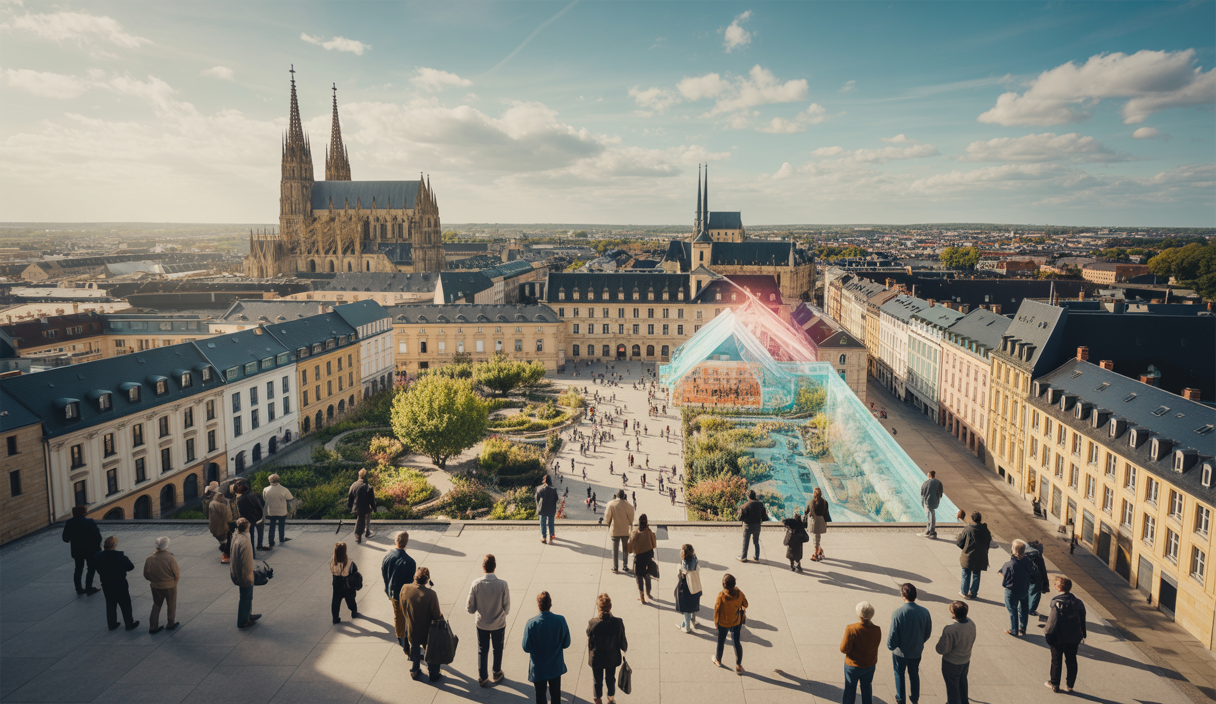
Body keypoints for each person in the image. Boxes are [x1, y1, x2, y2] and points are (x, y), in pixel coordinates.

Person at [467, 554, 511, 687]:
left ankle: (483, 676)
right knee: (498, 647)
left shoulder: (476, 584)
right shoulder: (503, 584)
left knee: (482, 648)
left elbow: (470, 608)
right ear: (495, 567)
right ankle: (496, 671)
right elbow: (507, 607)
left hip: (482, 624)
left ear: (483, 567)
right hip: (498, 623)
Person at [522, 591, 571, 704]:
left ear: (538, 605)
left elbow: (526, 647)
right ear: (550, 604)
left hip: (538, 669)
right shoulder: (560, 620)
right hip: (555, 667)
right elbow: (566, 643)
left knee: (540, 695)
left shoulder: (531, 623)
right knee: (556, 695)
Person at [887, 583, 933, 704]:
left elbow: (893, 634)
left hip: (900, 653)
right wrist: (920, 642)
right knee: (914, 673)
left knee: (899, 673)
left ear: (903, 595)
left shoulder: (898, 613)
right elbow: (928, 632)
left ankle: (901, 698)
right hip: (916, 651)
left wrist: (891, 646)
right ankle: (915, 698)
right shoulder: (925, 612)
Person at [1044, 576, 1087, 694]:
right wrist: (1083, 634)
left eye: (1055, 584)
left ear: (1058, 587)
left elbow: (1052, 622)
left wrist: (1048, 634)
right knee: (1072, 660)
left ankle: (1055, 684)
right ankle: (1070, 685)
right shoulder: (1078, 602)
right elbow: (1082, 620)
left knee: (1056, 660)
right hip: (1074, 637)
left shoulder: (1056, 602)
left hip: (1058, 636)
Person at [400, 567, 442, 681]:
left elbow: (402, 606)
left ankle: (414, 670)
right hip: (427, 630)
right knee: (429, 650)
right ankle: (433, 672)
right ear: (427, 580)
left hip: (412, 627)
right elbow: (436, 614)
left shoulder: (405, 588)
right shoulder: (431, 594)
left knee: (414, 647)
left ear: (415, 577)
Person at [90, 536, 139, 630]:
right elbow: (130, 567)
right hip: (120, 582)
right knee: (125, 603)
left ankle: (112, 623)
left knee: (110, 604)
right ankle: (129, 623)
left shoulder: (97, 556)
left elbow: (93, 566)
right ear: (114, 545)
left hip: (106, 583)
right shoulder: (119, 556)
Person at [587, 594, 627, 704]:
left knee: (597, 680)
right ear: (610, 606)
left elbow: (590, 641)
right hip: (612, 657)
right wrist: (624, 648)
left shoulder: (592, 623)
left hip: (597, 658)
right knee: (610, 678)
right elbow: (623, 641)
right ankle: (611, 699)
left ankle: (598, 699)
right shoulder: (618, 622)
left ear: (598, 607)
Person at [841, 601, 881, 704]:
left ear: (859, 615)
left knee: (850, 688)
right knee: (867, 687)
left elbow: (843, 649)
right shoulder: (877, 629)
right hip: (869, 665)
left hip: (853, 665)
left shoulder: (851, 629)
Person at [936, 600, 976, 704]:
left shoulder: (950, 629)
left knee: (952, 688)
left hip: (951, 663)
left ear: (954, 614)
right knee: (962, 683)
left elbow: (941, 649)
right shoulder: (971, 624)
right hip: (965, 660)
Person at [382, 532, 417, 651]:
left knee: (397, 615)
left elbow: (384, 574)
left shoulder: (387, 557)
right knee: (408, 616)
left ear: (395, 541)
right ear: (406, 542)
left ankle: (400, 637)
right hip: (405, 594)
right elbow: (411, 581)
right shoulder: (410, 561)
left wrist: (387, 589)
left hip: (392, 591)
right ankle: (406, 637)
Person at [143, 536, 180, 634]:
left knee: (156, 605)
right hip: (169, 586)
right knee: (171, 604)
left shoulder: (149, 558)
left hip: (155, 586)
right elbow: (176, 574)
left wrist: (154, 581)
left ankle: (153, 627)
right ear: (166, 545)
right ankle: (170, 623)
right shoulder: (170, 558)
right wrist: (174, 582)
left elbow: (146, 574)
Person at [61, 505, 101, 595]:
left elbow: (65, 538)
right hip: (90, 550)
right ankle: (89, 588)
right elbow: (98, 537)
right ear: (84, 512)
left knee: (78, 569)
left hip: (77, 550)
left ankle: (79, 589)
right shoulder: (90, 522)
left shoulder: (69, 522)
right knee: (91, 568)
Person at [712, 573, 747, 673]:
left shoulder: (721, 596)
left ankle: (718, 660)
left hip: (723, 623)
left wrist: (716, 622)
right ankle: (738, 665)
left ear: (723, 585)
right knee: (736, 642)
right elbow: (746, 604)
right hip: (736, 621)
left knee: (721, 641)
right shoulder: (739, 593)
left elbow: (717, 610)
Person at [998, 539, 1033, 636]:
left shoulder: (1009, 564)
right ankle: (1023, 628)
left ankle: (1014, 629)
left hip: (1012, 591)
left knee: (1013, 609)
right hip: (1024, 589)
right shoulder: (1027, 561)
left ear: (1014, 549)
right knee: (1024, 609)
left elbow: (1004, 576)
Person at [956, 511, 991, 600]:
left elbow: (960, 542)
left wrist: (964, 548)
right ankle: (973, 593)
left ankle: (964, 592)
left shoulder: (968, 529)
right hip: (981, 557)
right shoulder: (986, 530)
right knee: (976, 574)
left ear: (972, 519)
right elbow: (988, 542)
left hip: (968, 556)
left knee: (965, 573)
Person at [231, 518, 259, 628]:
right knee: (246, 597)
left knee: (246, 596)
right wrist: (249, 576)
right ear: (247, 527)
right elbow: (246, 562)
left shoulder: (236, 536)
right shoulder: (244, 542)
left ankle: (248, 614)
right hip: (244, 575)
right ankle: (243, 621)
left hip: (237, 572)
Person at [628, 514, 658, 603]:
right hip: (648, 557)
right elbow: (654, 545)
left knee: (639, 577)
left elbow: (629, 549)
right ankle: (648, 593)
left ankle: (642, 596)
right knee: (647, 576)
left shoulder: (634, 534)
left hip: (639, 558)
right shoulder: (649, 532)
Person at [604, 489, 635, 573]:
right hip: (625, 530)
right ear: (623, 496)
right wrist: (628, 523)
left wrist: (608, 523)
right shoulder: (628, 505)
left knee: (615, 549)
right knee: (625, 548)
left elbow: (607, 517)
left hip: (615, 529)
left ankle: (615, 567)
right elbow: (631, 518)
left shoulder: (611, 504)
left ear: (617, 495)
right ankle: (625, 565)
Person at [329, 542, 359, 623]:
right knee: (350, 600)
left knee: (335, 602)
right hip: (347, 585)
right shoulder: (350, 562)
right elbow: (355, 572)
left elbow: (332, 571)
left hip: (336, 583)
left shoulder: (332, 562)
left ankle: (335, 618)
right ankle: (354, 611)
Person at [675, 544, 703, 632]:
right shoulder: (695, 561)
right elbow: (697, 570)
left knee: (686, 607)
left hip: (685, 588)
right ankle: (693, 620)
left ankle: (687, 627)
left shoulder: (683, 565)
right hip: (695, 586)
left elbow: (680, 574)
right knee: (694, 604)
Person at [737, 490, 769, 563]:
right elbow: (764, 516)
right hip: (757, 525)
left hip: (747, 526)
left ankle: (743, 557)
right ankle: (756, 556)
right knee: (756, 541)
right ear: (755, 496)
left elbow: (741, 518)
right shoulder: (760, 504)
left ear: (748, 497)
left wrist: (739, 514)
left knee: (746, 542)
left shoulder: (745, 506)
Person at [262, 474, 294, 547]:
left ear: (270, 480)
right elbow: (290, 497)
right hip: (282, 511)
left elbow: (264, 498)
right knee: (281, 526)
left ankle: (271, 541)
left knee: (272, 526)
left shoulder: (265, 489)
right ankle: (281, 538)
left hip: (271, 511)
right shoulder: (284, 489)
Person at [347, 468, 377, 544]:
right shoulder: (368, 486)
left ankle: (362, 533)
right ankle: (362, 533)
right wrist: (374, 508)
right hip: (365, 507)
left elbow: (350, 497)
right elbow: (372, 500)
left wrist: (349, 507)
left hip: (355, 506)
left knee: (360, 518)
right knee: (364, 518)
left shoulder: (354, 485)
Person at [234, 481, 265, 553]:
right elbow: (260, 505)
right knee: (260, 531)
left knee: (250, 536)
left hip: (248, 519)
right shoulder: (254, 495)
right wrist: (260, 515)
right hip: (257, 517)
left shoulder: (239, 500)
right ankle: (260, 545)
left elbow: (240, 511)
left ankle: (252, 552)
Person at [205, 482, 233, 563]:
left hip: (215, 525)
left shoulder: (211, 502)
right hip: (223, 525)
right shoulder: (221, 504)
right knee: (226, 541)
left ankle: (226, 554)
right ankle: (225, 555)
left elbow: (206, 512)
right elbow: (227, 515)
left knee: (224, 540)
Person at [1026, 539, 1050, 615]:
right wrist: (1045, 584)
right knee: (1035, 594)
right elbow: (1042, 570)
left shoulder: (1024, 553)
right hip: (1036, 578)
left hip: (1025, 577)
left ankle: (1023, 608)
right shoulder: (1038, 556)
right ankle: (1031, 610)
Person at [807, 487, 829, 562]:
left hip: (813, 520)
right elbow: (826, 513)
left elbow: (806, 511)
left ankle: (815, 553)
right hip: (821, 520)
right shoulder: (825, 502)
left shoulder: (811, 502)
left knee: (815, 537)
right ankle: (819, 550)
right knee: (817, 536)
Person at [536, 475, 559, 544]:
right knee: (551, 522)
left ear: (544, 481)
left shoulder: (541, 489)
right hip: (551, 508)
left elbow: (537, 498)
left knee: (543, 522)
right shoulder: (554, 489)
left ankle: (544, 537)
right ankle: (551, 535)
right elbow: (556, 499)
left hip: (543, 508)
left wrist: (538, 505)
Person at [920, 470, 943, 538]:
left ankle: (929, 531)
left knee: (929, 516)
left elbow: (922, 493)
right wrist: (937, 500)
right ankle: (932, 531)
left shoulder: (926, 483)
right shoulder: (938, 482)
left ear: (929, 475)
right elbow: (940, 494)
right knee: (932, 515)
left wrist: (924, 502)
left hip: (927, 502)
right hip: (934, 502)